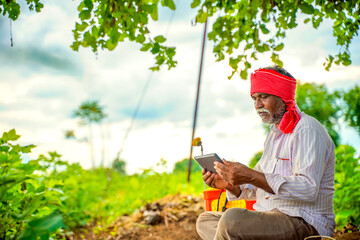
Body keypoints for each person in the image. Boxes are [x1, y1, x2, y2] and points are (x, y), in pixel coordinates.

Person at [196, 66, 335, 240]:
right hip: (270, 215)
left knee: (232, 220)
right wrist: (232, 185)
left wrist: (251, 175)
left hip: (303, 221)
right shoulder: (274, 134)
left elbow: (308, 189)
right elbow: (258, 187)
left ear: (283, 96)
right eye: (254, 98)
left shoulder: (307, 129)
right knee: (206, 220)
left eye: (263, 97)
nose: (257, 105)